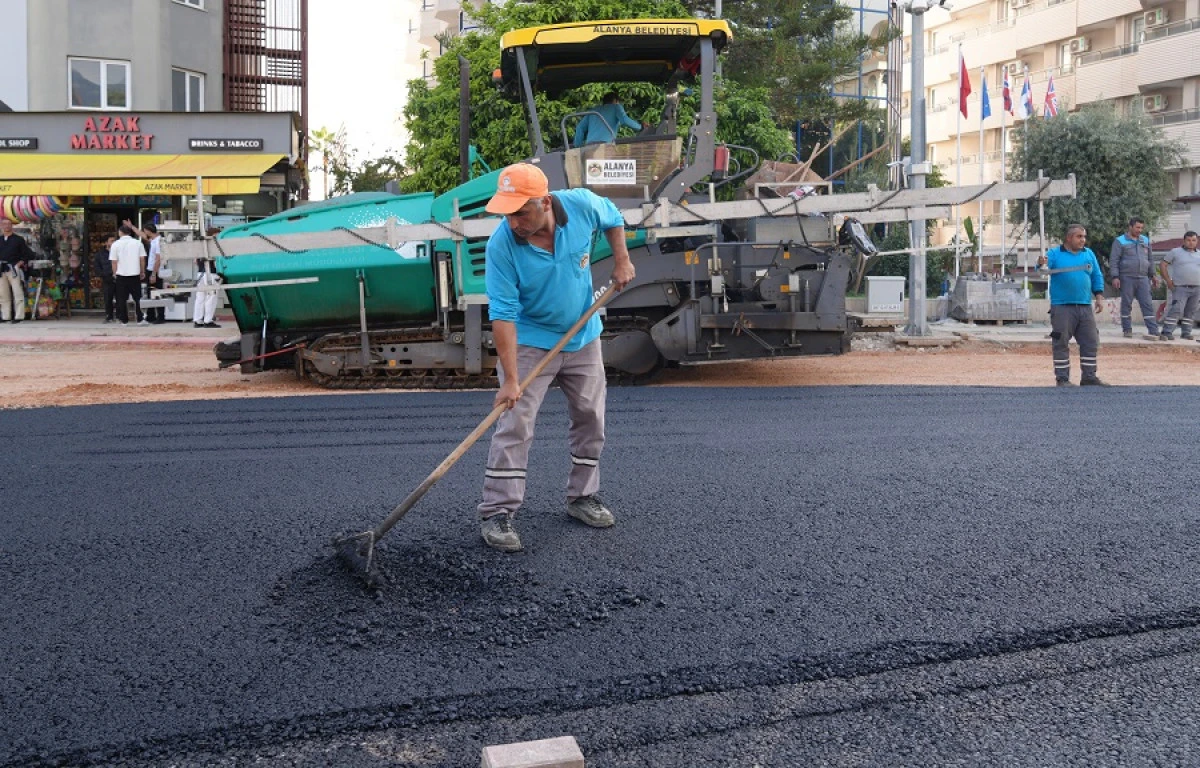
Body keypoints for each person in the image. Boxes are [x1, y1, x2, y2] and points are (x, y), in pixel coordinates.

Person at [476, 162, 635, 552]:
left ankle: (582, 496)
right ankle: (497, 512)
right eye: (508, 213)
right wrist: (511, 379)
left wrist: (621, 260)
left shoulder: (580, 205)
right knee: (515, 423)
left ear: (545, 202)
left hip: (582, 337)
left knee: (591, 418)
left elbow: (614, 218)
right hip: (531, 343)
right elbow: (502, 315)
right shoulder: (502, 246)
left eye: (521, 212)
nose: (513, 222)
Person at [1039, 223, 1108, 386]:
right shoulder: (1055, 254)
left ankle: (1089, 377)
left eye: (1084, 236)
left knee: (1090, 341)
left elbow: (1096, 275)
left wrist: (1098, 296)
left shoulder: (1088, 254)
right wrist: (1040, 263)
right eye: (1079, 236)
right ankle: (1062, 379)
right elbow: (1042, 269)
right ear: (1069, 238)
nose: (1083, 240)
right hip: (1062, 307)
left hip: (1084, 307)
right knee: (1061, 342)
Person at [1108, 217, 1160, 339]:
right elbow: (1114, 260)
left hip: (1143, 278)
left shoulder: (1145, 240)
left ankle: (1153, 330)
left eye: (1141, 228)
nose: (1139, 230)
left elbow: (1150, 259)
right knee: (1126, 304)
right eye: (1137, 227)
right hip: (1126, 278)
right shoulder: (1120, 241)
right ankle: (1127, 329)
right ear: (1130, 227)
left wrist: (1153, 275)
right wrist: (1115, 276)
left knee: (1147, 304)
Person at [1158, 230, 1200, 341]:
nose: (1191, 242)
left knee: (1190, 311)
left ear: (1197, 241)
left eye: (1194, 240)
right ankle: (1166, 332)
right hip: (1180, 287)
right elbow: (1163, 264)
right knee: (1176, 309)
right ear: (1184, 240)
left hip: (1196, 288)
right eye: (1189, 240)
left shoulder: (1199, 254)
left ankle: (1186, 333)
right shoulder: (1175, 252)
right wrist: (1168, 280)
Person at [109, 224, 147, 326]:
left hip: (121, 275)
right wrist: (142, 271)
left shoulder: (115, 245)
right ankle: (140, 319)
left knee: (121, 299)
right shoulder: (137, 243)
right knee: (137, 298)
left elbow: (114, 261)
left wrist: (114, 273)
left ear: (120, 232)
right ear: (130, 232)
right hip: (135, 274)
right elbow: (142, 259)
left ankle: (124, 320)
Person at [128, 221, 166, 324]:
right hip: (151, 269)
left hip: (156, 271)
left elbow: (158, 259)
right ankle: (151, 315)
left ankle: (160, 316)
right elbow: (143, 236)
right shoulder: (154, 240)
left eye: (146, 231)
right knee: (150, 293)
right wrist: (132, 227)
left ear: (149, 231)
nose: (145, 233)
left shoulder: (158, 242)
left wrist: (154, 273)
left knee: (157, 293)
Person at [574, 92, 644, 147]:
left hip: (590, 145)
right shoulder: (616, 107)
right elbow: (625, 121)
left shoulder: (594, 110)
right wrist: (640, 127)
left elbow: (580, 128)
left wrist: (578, 146)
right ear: (616, 101)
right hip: (606, 145)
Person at [0, 216, 32, 323]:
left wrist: (19, 264)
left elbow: (26, 254)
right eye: (4, 224)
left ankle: (19, 316)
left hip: (13, 268)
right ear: (1, 226)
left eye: (8, 224)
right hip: (1, 269)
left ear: (11, 226)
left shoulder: (18, 240)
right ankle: (5, 316)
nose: (6, 226)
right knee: (3, 294)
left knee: (17, 292)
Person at [192, 255, 222, 328]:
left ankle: (197, 320)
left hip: (200, 273)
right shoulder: (213, 244)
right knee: (211, 297)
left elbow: (195, 261)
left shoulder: (196, 245)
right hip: (211, 273)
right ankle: (208, 321)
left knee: (200, 298)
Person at [93, 235, 117, 323]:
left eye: (114, 240)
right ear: (106, 243)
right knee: (108, 298)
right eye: (111, 240)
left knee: (120, 298)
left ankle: (120, 316)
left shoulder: (119, 252)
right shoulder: (100, 254)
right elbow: (97, 266)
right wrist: (103, 274)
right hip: (107, 278)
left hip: (118, 277)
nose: (113, 242)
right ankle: (109, 316)